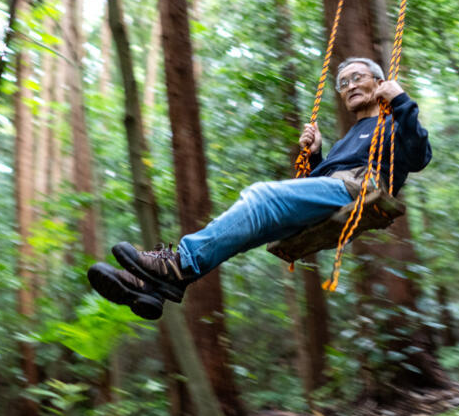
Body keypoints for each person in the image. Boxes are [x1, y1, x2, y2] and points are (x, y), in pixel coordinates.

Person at [86, 56, 432, 319]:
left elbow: (419, 157)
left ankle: (178, 262)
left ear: (379, 82)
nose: (350, 85)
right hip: (335, 194)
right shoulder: (348, 140)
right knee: (248, 227)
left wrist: (401, 101)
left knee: (261, 196)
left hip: (361, 191)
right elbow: (319, 184)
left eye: (358, 77)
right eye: (343, 83)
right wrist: (314, 157)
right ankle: (157, 288)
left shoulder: (393, 123)